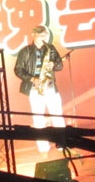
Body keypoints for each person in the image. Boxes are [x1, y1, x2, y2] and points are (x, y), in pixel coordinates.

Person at [14, 25, 66, 153]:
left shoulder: (50, 48)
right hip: (35, 89)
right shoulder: (25, 51)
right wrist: (32, 79)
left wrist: (54, 64)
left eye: (45, 35)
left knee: (57, 116)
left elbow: (60, 65)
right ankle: (43, 147)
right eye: (41, 35)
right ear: (34, 35)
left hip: (50, 87)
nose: (44, 38)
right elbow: (18, 70)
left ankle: (61, 142)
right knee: (38, 119)